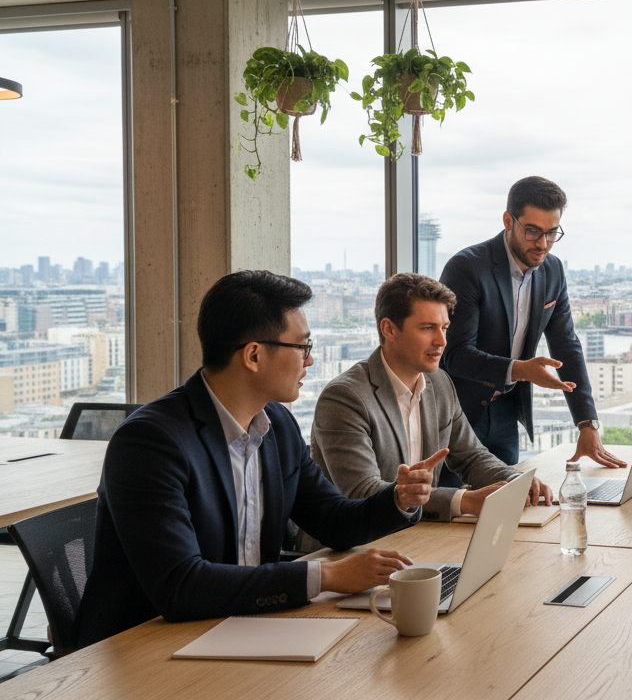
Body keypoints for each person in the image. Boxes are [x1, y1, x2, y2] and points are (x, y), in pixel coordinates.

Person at [75, 271, 444, 648]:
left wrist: (398, 499)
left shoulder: (276, 425)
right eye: (303, 346)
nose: (311, 360)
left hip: (244, 624)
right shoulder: (150, 443)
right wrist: (327, 576)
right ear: (253, 355)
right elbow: (181, 585)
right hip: (146, 645)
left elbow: (333, 521)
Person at [312, 273, 553, 520]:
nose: (441, 341)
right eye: (428, 328)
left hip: (419, 533)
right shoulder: (344, 398)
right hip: (351, 547)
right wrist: (464, 501)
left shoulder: (439, 382)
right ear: (389, 329)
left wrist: (516, 480)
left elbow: (471, 457)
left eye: (444, 328)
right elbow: (362, 492)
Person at [439, 176, 626, 471]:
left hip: (505, 412)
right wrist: (520, 370)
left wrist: (586, 424)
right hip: (456, 413)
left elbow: (567, 345)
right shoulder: (467, 268)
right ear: (508, 221)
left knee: (504, 508)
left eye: (552, 233)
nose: (543, 244)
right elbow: (454, 354)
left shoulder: (553, 271)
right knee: (450, 510)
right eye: (532, 232)